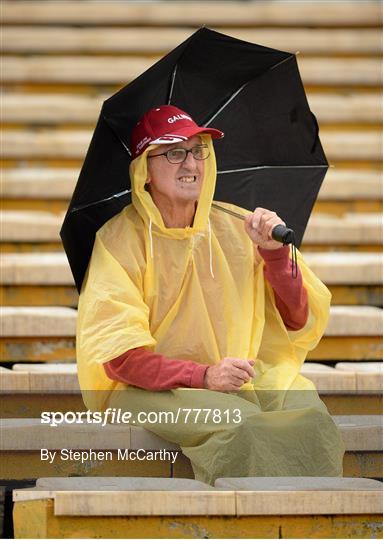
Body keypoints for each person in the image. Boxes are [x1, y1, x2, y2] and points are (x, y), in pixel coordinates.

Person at [76, 105, 345, 485]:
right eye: (174, 152)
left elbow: (296, 320)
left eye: (197, 149)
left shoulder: (239, 225)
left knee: (310, 418)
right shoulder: (119, 241)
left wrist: (274, 254)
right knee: (241, 425)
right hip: (146, 389)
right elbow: (121, 360)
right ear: (144, 171)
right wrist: (204, 375)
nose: (191, 164)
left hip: (235, 376)